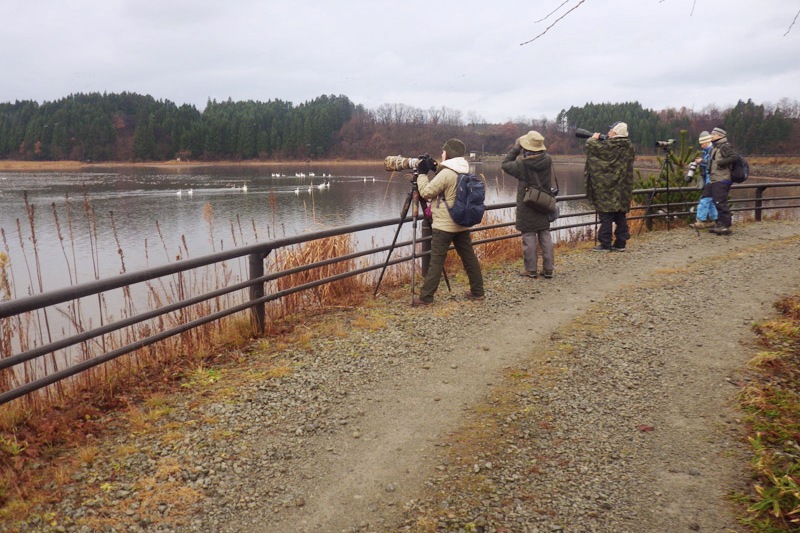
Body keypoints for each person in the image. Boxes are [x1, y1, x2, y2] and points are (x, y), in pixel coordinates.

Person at [413, 138, 484, 306]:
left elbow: (426, 192)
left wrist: (422, 174)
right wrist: (435, 167)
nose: (441, 153)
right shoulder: (464, 171)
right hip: (461, 222)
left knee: (436, 261)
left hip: (444, 225)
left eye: (443, 151)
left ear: (449, 153)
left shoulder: (446, 173)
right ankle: (478, 292)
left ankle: (426, 297)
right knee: (469, 258)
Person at [501, 130, 555, 278]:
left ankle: (531, 270)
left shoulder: (522, 164)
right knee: (545, 234)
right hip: (544, 202)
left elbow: (505, 164)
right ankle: (548, 268)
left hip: (527, 204)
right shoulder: (548, 159)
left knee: (529, 236)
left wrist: (516, 148)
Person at [584, 121, 636, 251]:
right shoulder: (629, 146)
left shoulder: (610, 146)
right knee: (620, 215)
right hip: (623, 188)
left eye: (611, 130)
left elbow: (592, 147)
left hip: (607, 188)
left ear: (616, 132)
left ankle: (605, 243)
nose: (608, 133)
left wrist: (593, 138)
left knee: (606, 215)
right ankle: (621, 243)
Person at [705, 126, 738, 235]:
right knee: (716, 201)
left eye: (713, 134)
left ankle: (725, 226)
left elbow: (734, 157)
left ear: (720, 135)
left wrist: (721, 162)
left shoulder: (725, 147)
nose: (711, 136)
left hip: (722, 178)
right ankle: (720, 224)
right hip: (715, 178)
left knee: (720, 201)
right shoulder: (715, 147)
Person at [688, 131, 718, 229]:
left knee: (704, 200)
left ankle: (700, 221)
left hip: (711, 180)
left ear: (706, 142)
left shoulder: (712, 151)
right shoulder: (708, 151)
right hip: (710, 179)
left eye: (702, 143)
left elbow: (713, 164)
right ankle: (715, 220)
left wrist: (702, 161)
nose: (701, 146)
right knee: (710, 200)